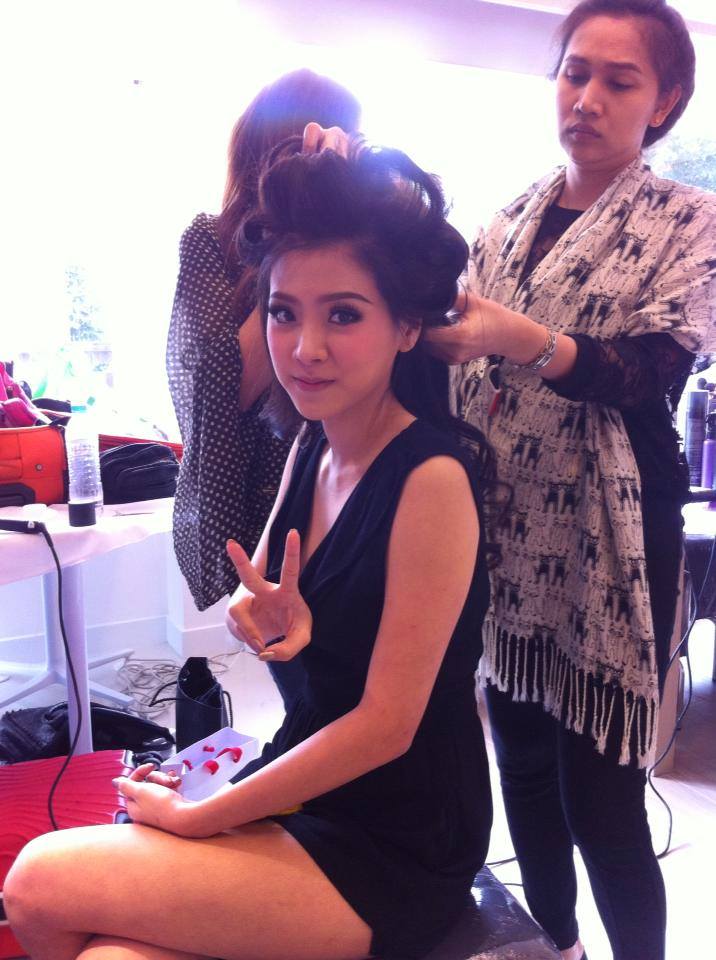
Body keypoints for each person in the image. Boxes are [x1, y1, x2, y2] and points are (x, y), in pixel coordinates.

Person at [5, 141, 495, 960]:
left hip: (398, 837)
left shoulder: (432, 480)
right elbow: (255, 597)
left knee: (35, 882)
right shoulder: (313, 443)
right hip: (307, 777)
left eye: (344, 314)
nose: (304, 347)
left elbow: (385, 727)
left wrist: (205, 812)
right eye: (283, 312)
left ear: (407, 326)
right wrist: (259, 616)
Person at [422, 2, 715, 959]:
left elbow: (645, 374)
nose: (586, 98)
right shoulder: (508, 220)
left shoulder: (690, 223)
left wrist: (522, 339)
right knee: (521, 762)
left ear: (664, 100)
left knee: (603, 800)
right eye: (574, 72)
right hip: (505, 523)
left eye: (618, 81)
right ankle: (554, 944)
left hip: (613, 531)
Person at [167, 68, 361, 708]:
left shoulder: (359, 239)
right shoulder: (211, 240)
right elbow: (225, 385)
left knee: (348, 670)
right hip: (261, 491)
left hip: (345, 476)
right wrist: (290, 232)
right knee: (301, 678)